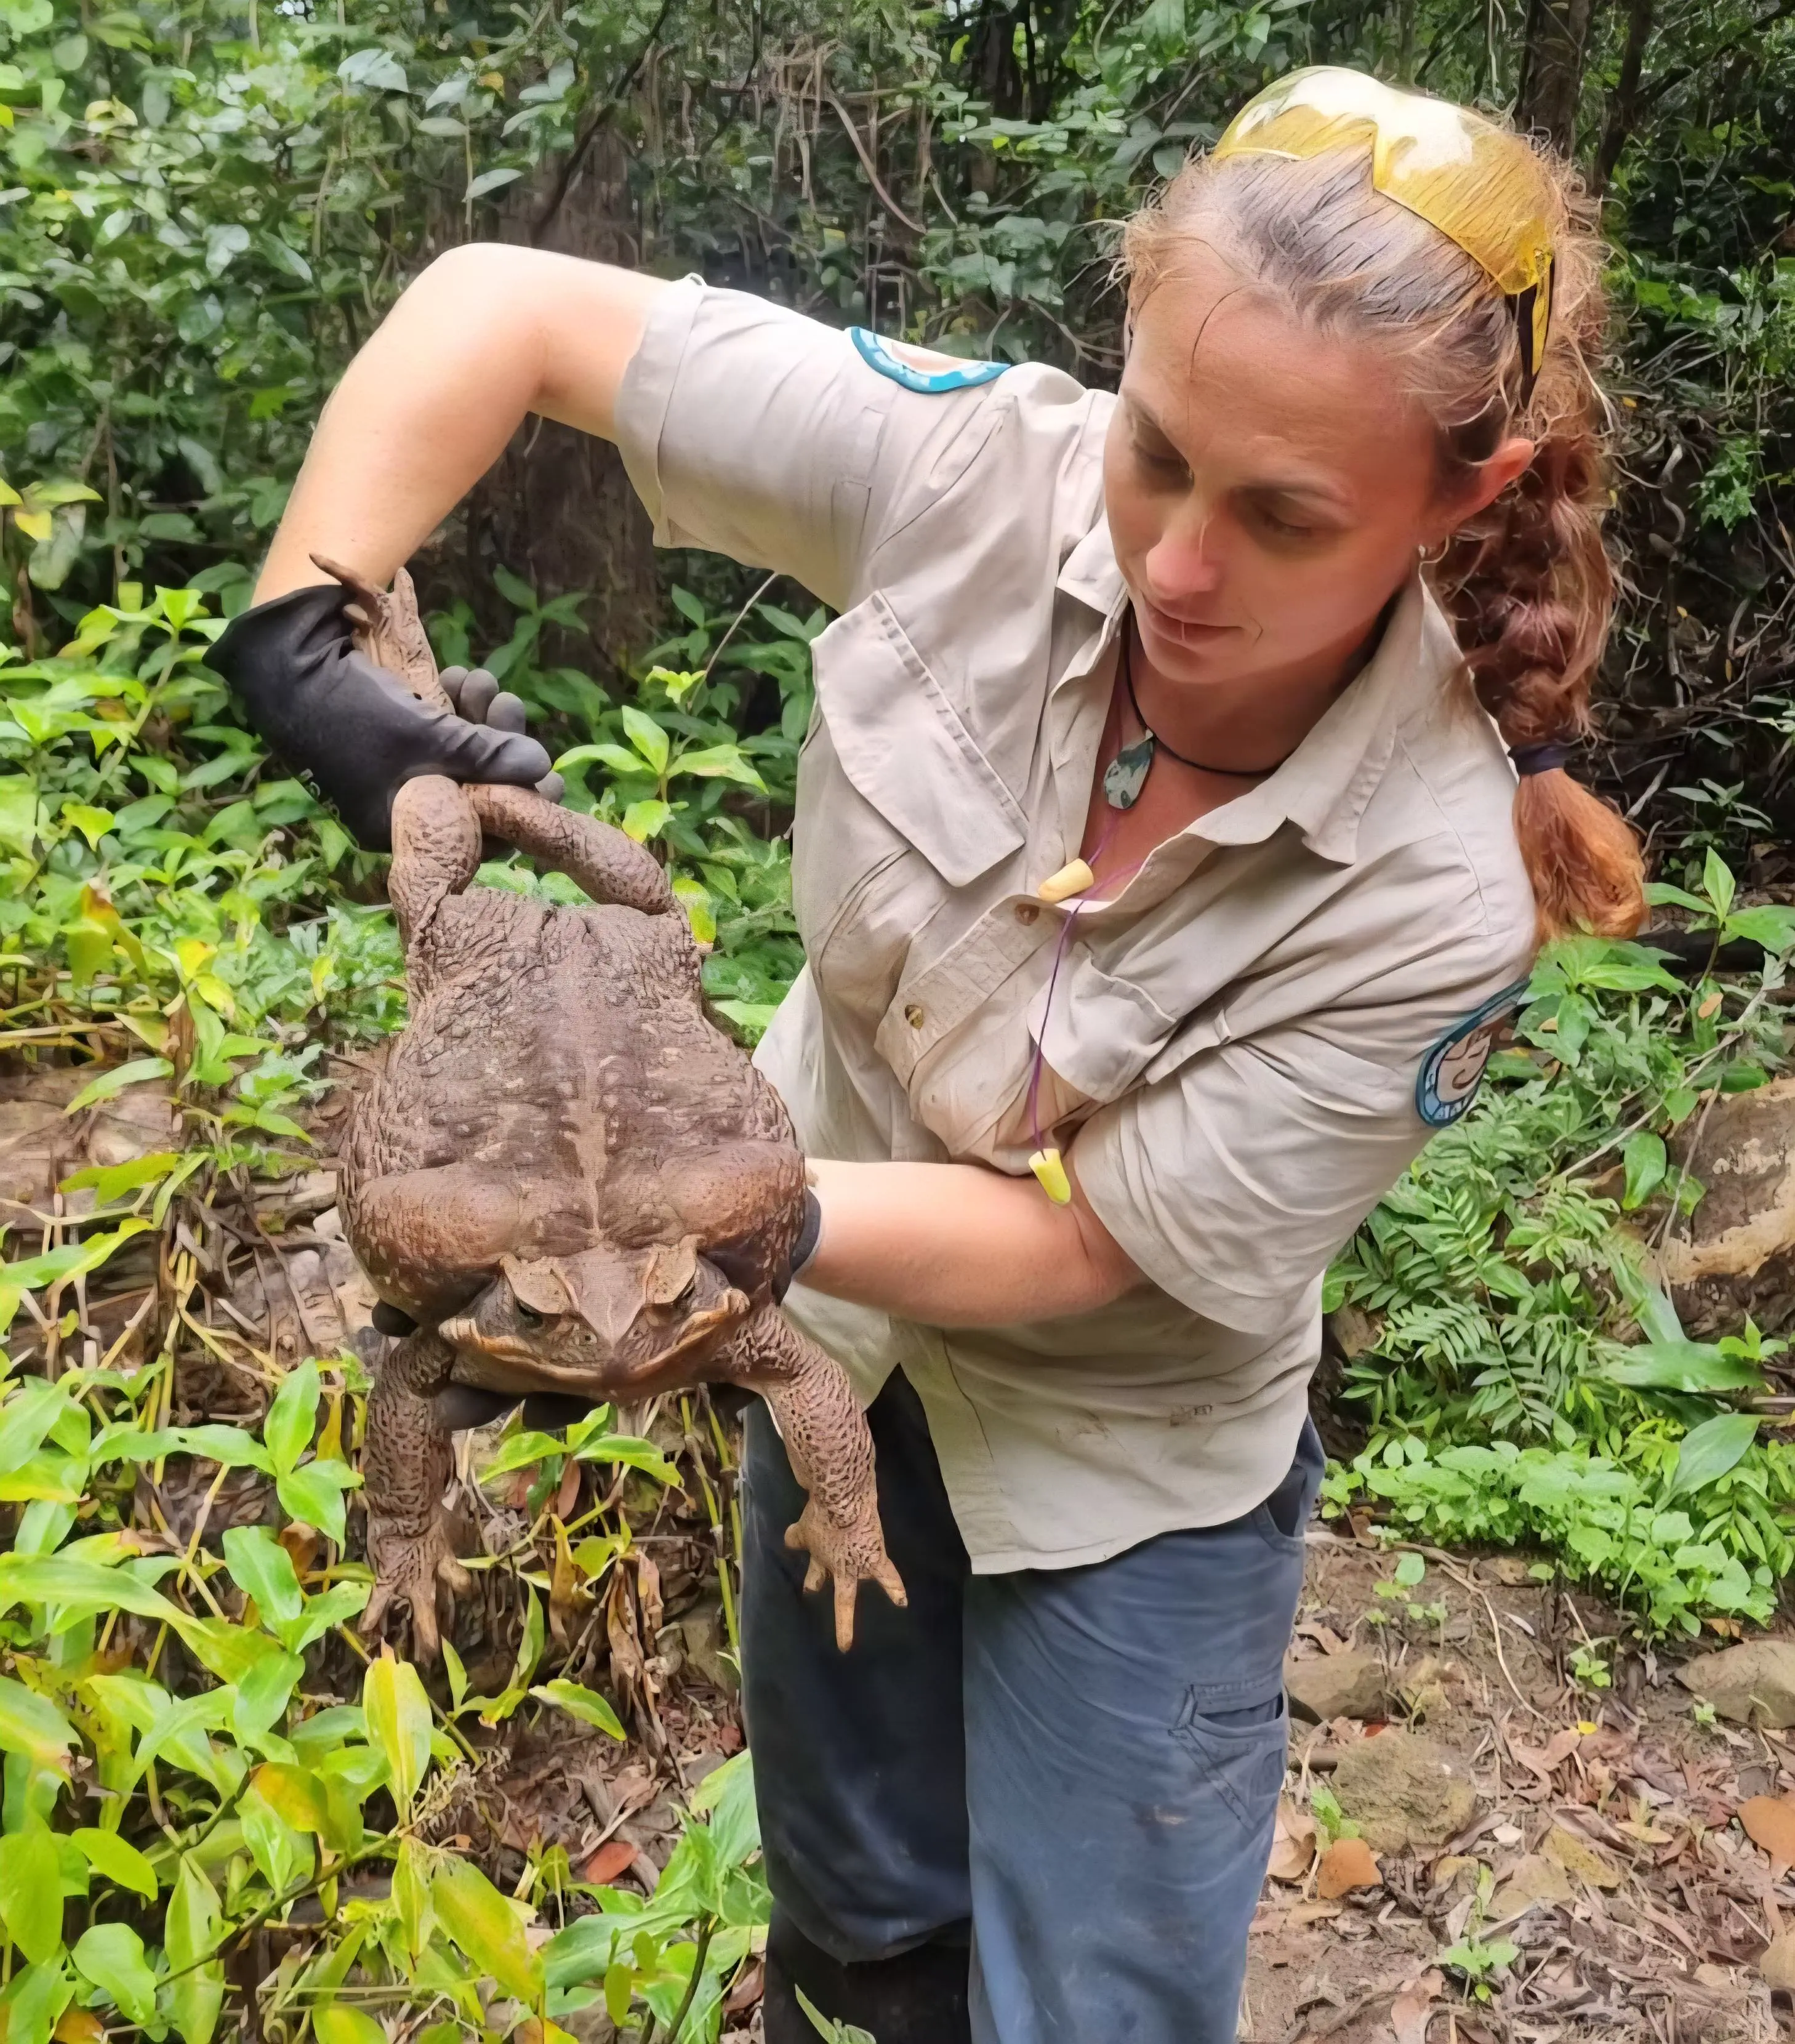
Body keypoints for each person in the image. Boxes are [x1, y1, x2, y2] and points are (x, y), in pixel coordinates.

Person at [212, 65, 1647, 2044]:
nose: (1174, 563)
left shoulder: (1434, 890)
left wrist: (670, 1228)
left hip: (1117, 1455)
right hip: (821, 1363)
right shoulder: (976, 470)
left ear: (1458, 501)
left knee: (1097, 1994)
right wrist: (302, 634)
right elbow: (501, 308)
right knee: (861, 1910)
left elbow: (1080, 1250)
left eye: (1285, 516)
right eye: (1157, 453)